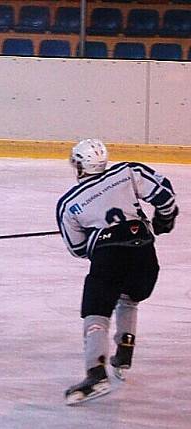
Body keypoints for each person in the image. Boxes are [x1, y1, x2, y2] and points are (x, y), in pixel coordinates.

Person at [56, 138, 178, 405]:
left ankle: (97, 373)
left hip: (109, 258)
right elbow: (165, 195)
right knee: (129, 296)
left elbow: (77, 249)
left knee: (96, 312)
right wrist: (165, 219)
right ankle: (124, 351)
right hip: (145, 254)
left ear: (79, 165)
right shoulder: (127, 172)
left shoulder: (69, 203)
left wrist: (98, 238)